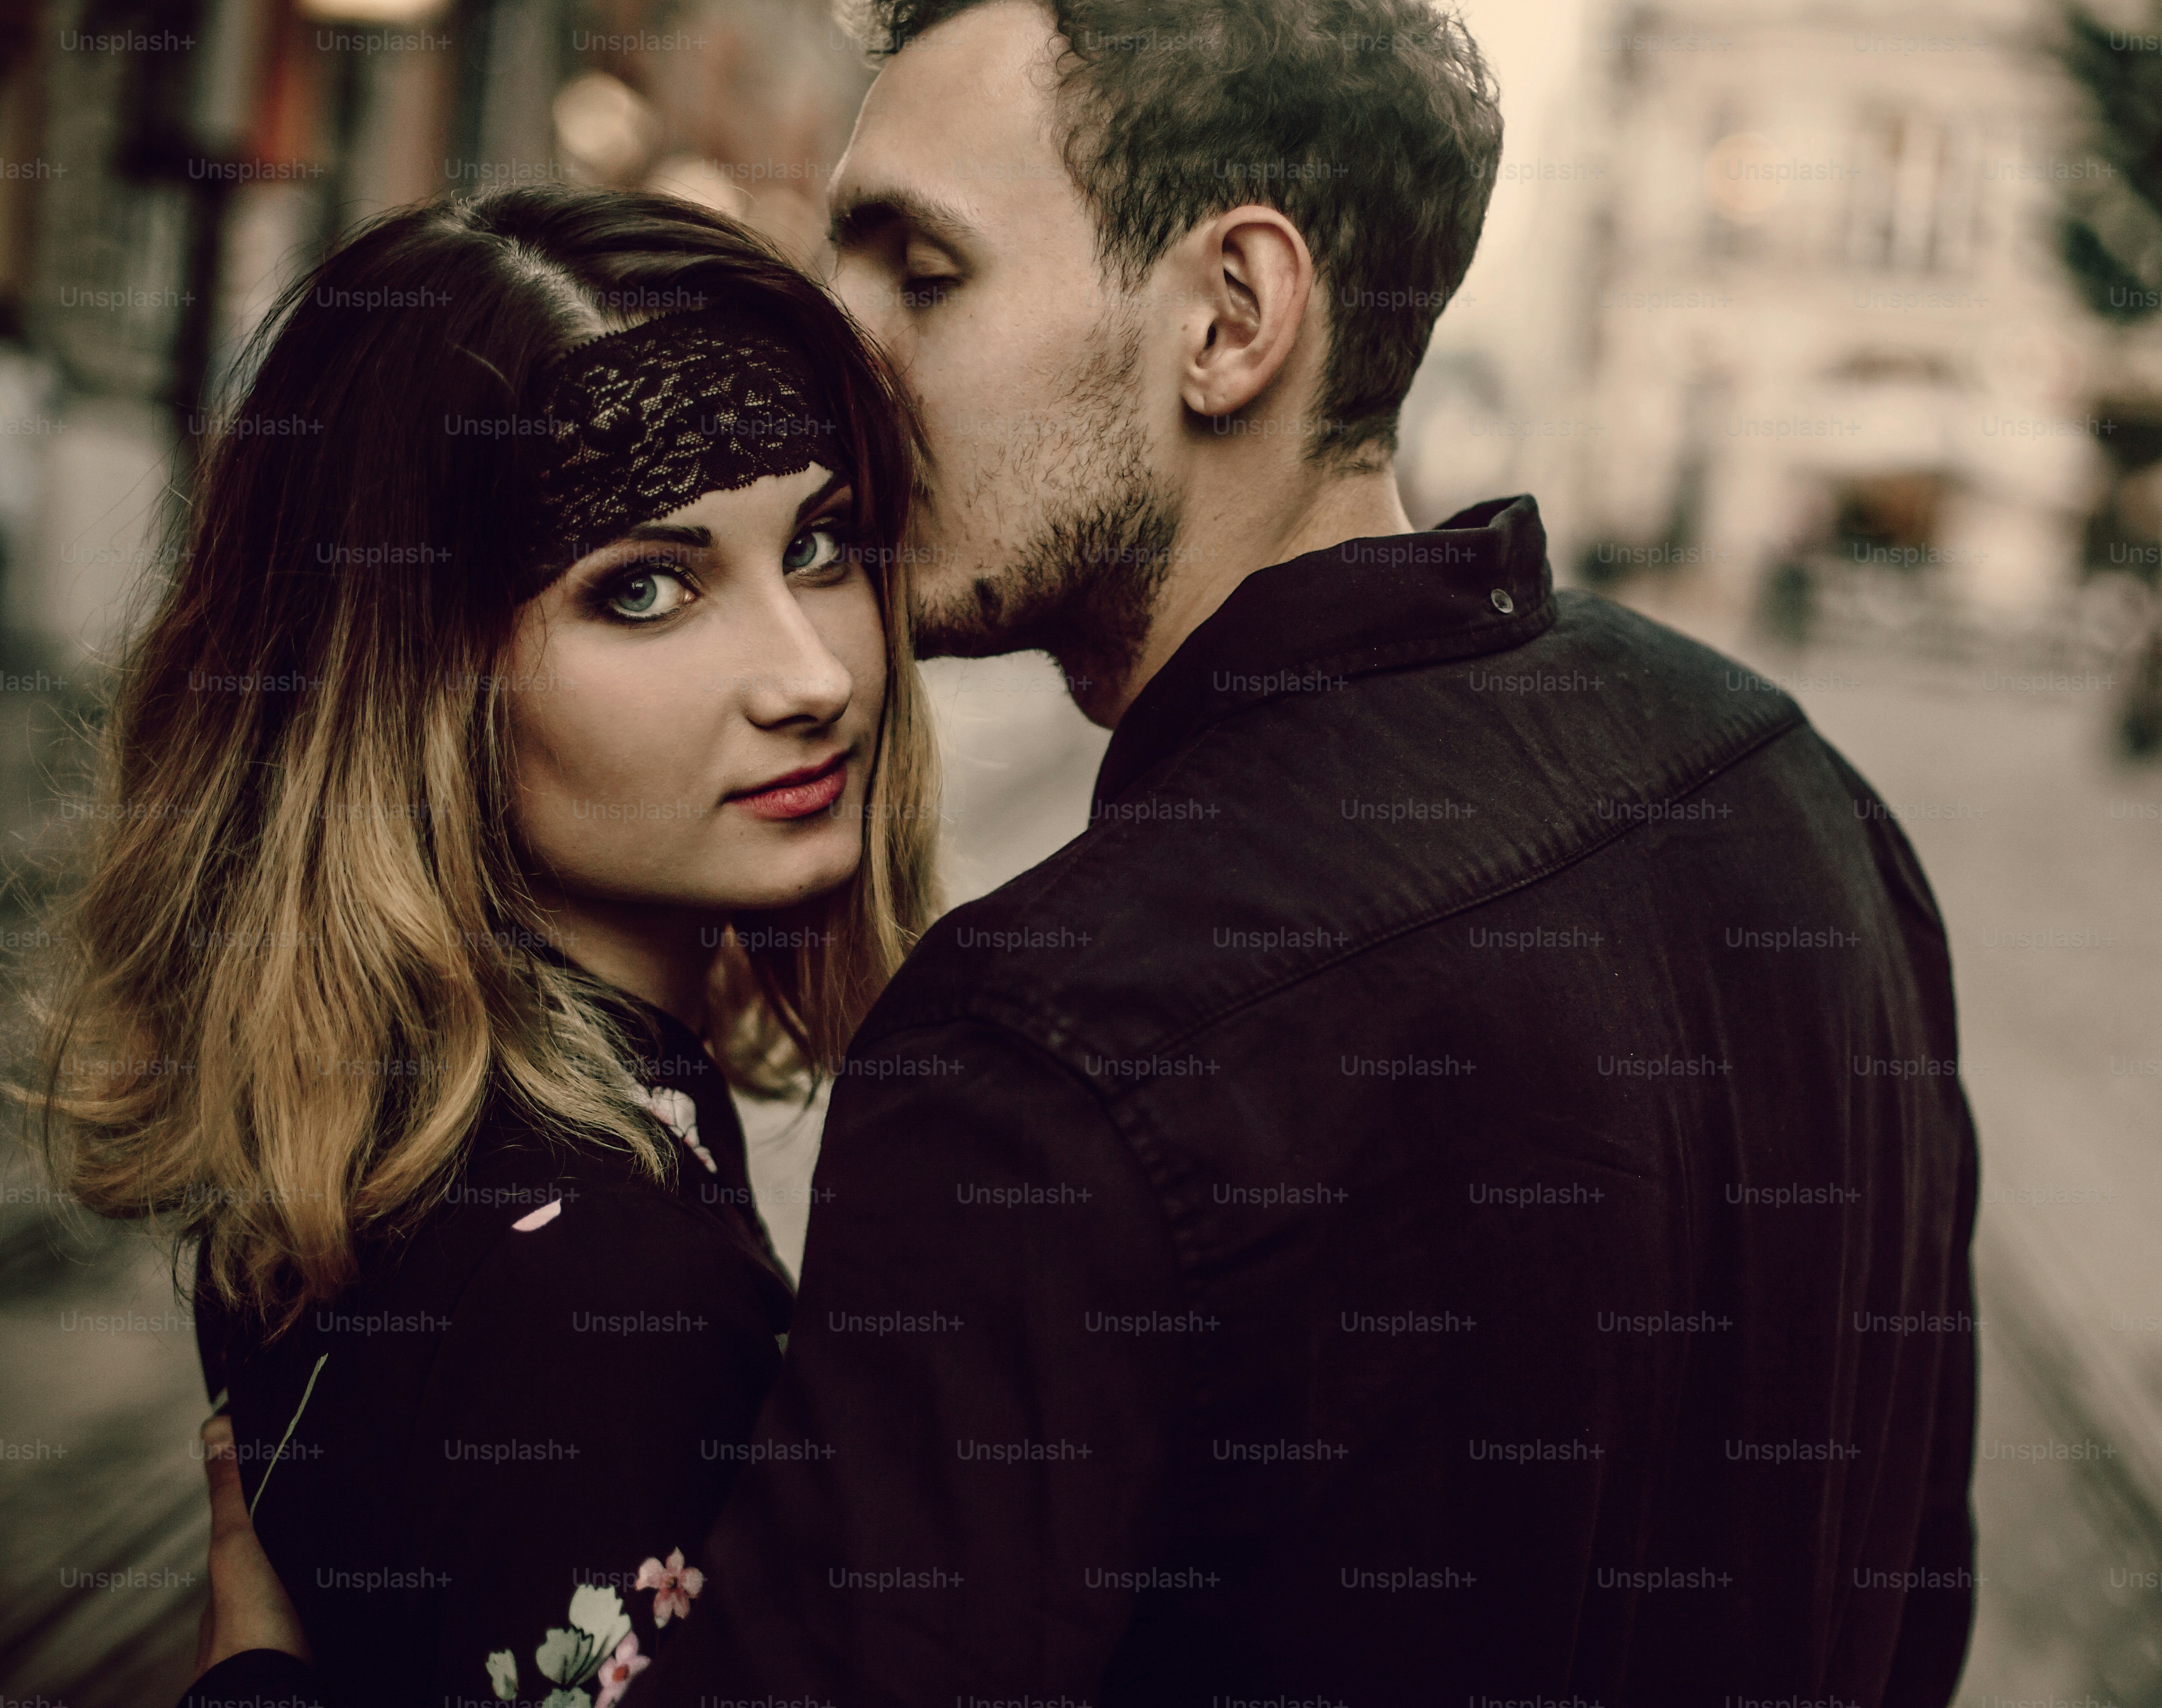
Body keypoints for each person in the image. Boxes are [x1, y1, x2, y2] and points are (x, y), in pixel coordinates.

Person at [202, 0, 1983, 1701]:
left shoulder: (1051, 1048)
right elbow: (1910, 1594)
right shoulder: (1794, 797)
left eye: (925, 271)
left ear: (1232, 315)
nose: (841, 346)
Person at [28, 185, 936, 1706]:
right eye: (643, 588)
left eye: (825, 544)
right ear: (410, 675)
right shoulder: (612, 1299)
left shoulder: (357, 1134)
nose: (811, 675)